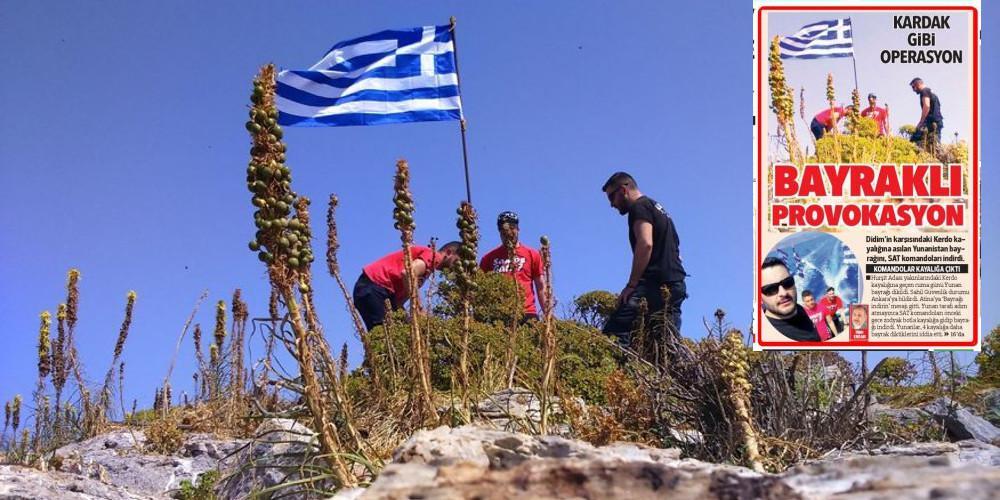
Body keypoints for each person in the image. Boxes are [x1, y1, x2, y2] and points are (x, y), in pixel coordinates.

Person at [601, 172, 687, 345]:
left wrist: (632, 285)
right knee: (663, 343)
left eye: (612, 197)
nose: (611, 204)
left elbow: (645, 243)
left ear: (623, 190)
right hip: (676, 284)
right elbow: (678, 251)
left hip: (653, 285)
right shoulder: (659, 209)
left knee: (615, 333)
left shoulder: (639, 207)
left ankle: (618, 372)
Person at [353, 242, 460, 330]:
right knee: (385, 337)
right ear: (449, 252)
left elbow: (398, 303)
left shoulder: (425, 273)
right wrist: (419, 307)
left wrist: (409, 320)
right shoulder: (433, 256)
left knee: (398, 334)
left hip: (377, 291)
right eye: (456, 262)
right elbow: (408, 272)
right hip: (374, 286)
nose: (454, 268)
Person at [479, 211, 548, 322]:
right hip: (499, 315)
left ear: (518, 229)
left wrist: (548, 314)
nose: (509, 233)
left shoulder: (532, 254)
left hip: (527, 313)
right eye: (504, 230)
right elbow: (480, 289)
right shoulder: (488, 259)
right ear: (499, 232)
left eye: (512, 228)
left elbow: (540, 286)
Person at [760, 257, 820, 342]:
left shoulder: (798, 309)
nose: (783, 293)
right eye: (771, 289)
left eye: (787, 282)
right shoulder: (769, 338)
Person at [908, 78, 943, 146]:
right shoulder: (930, 92)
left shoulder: (924, 91)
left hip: (931, 123)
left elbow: (926, 106)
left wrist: (921, 122)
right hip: (937, 121)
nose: (913, 90)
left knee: (915, 140)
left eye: (913, 87)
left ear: (918, 84)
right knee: (933, 144)